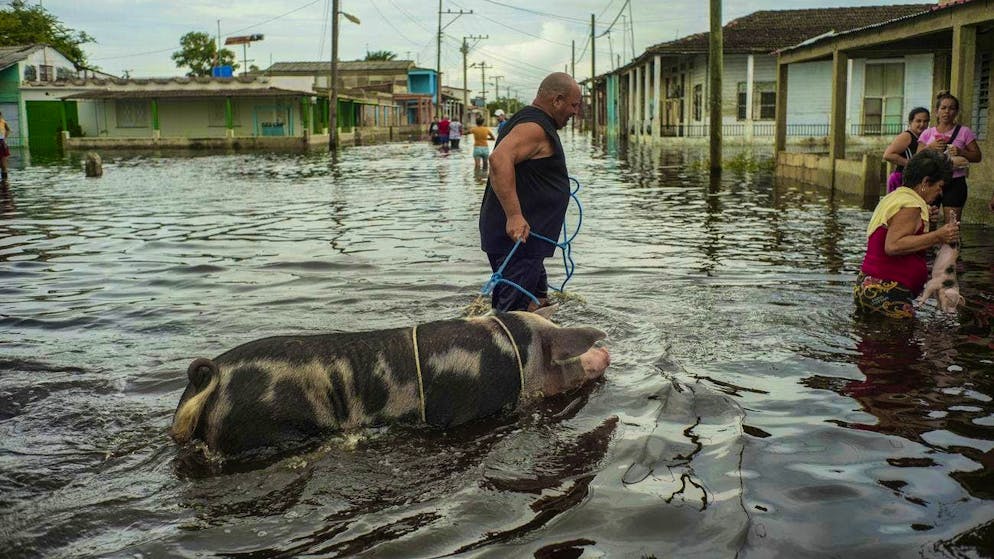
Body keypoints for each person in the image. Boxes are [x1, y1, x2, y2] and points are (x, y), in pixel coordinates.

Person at [479, 72, 582, 312]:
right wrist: (514, 215)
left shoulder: (529, 120)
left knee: (537, 304)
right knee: (511, 316)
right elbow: (498, 159)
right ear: (557, 100)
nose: (576, 112)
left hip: (528, 241)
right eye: (574, 105)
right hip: (518, 241)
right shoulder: (534, 127)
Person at [853, 150, 959, 319]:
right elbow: (893, 245)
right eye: (939, 186)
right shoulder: (911, 205)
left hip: (870, 287)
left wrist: (924, 223)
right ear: (925, 182)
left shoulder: (896, 197)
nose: (940, 193)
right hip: (887, 290)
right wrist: (938, 236)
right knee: (903, 337)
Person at [917, 92, 983, 224]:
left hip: (955, 182)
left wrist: (961, 152)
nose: (947, 112)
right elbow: (917, 158)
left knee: (952, 225)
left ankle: (950, 239)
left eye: (951, 108)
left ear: (956, 112)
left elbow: (977, 156)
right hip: (931, 182)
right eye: (943, 108)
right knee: (927, 224)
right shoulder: (928, 133)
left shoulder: (964, 131)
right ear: (936, 112)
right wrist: (930, 147)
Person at [883, 107, 929, 193]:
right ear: (910, 122)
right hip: (901, 179)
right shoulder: (907, 136)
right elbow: (888, 155)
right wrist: (911, 164)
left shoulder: (924, 138)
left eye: (925, 121)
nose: (922, 124)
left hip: (914, 180)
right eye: (918, 121)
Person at [0, 112, 12, 182]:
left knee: (3, 165)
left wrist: (4, 138)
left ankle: (4, 182)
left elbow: (8, 130)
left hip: (1, 143)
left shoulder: (3, 122)